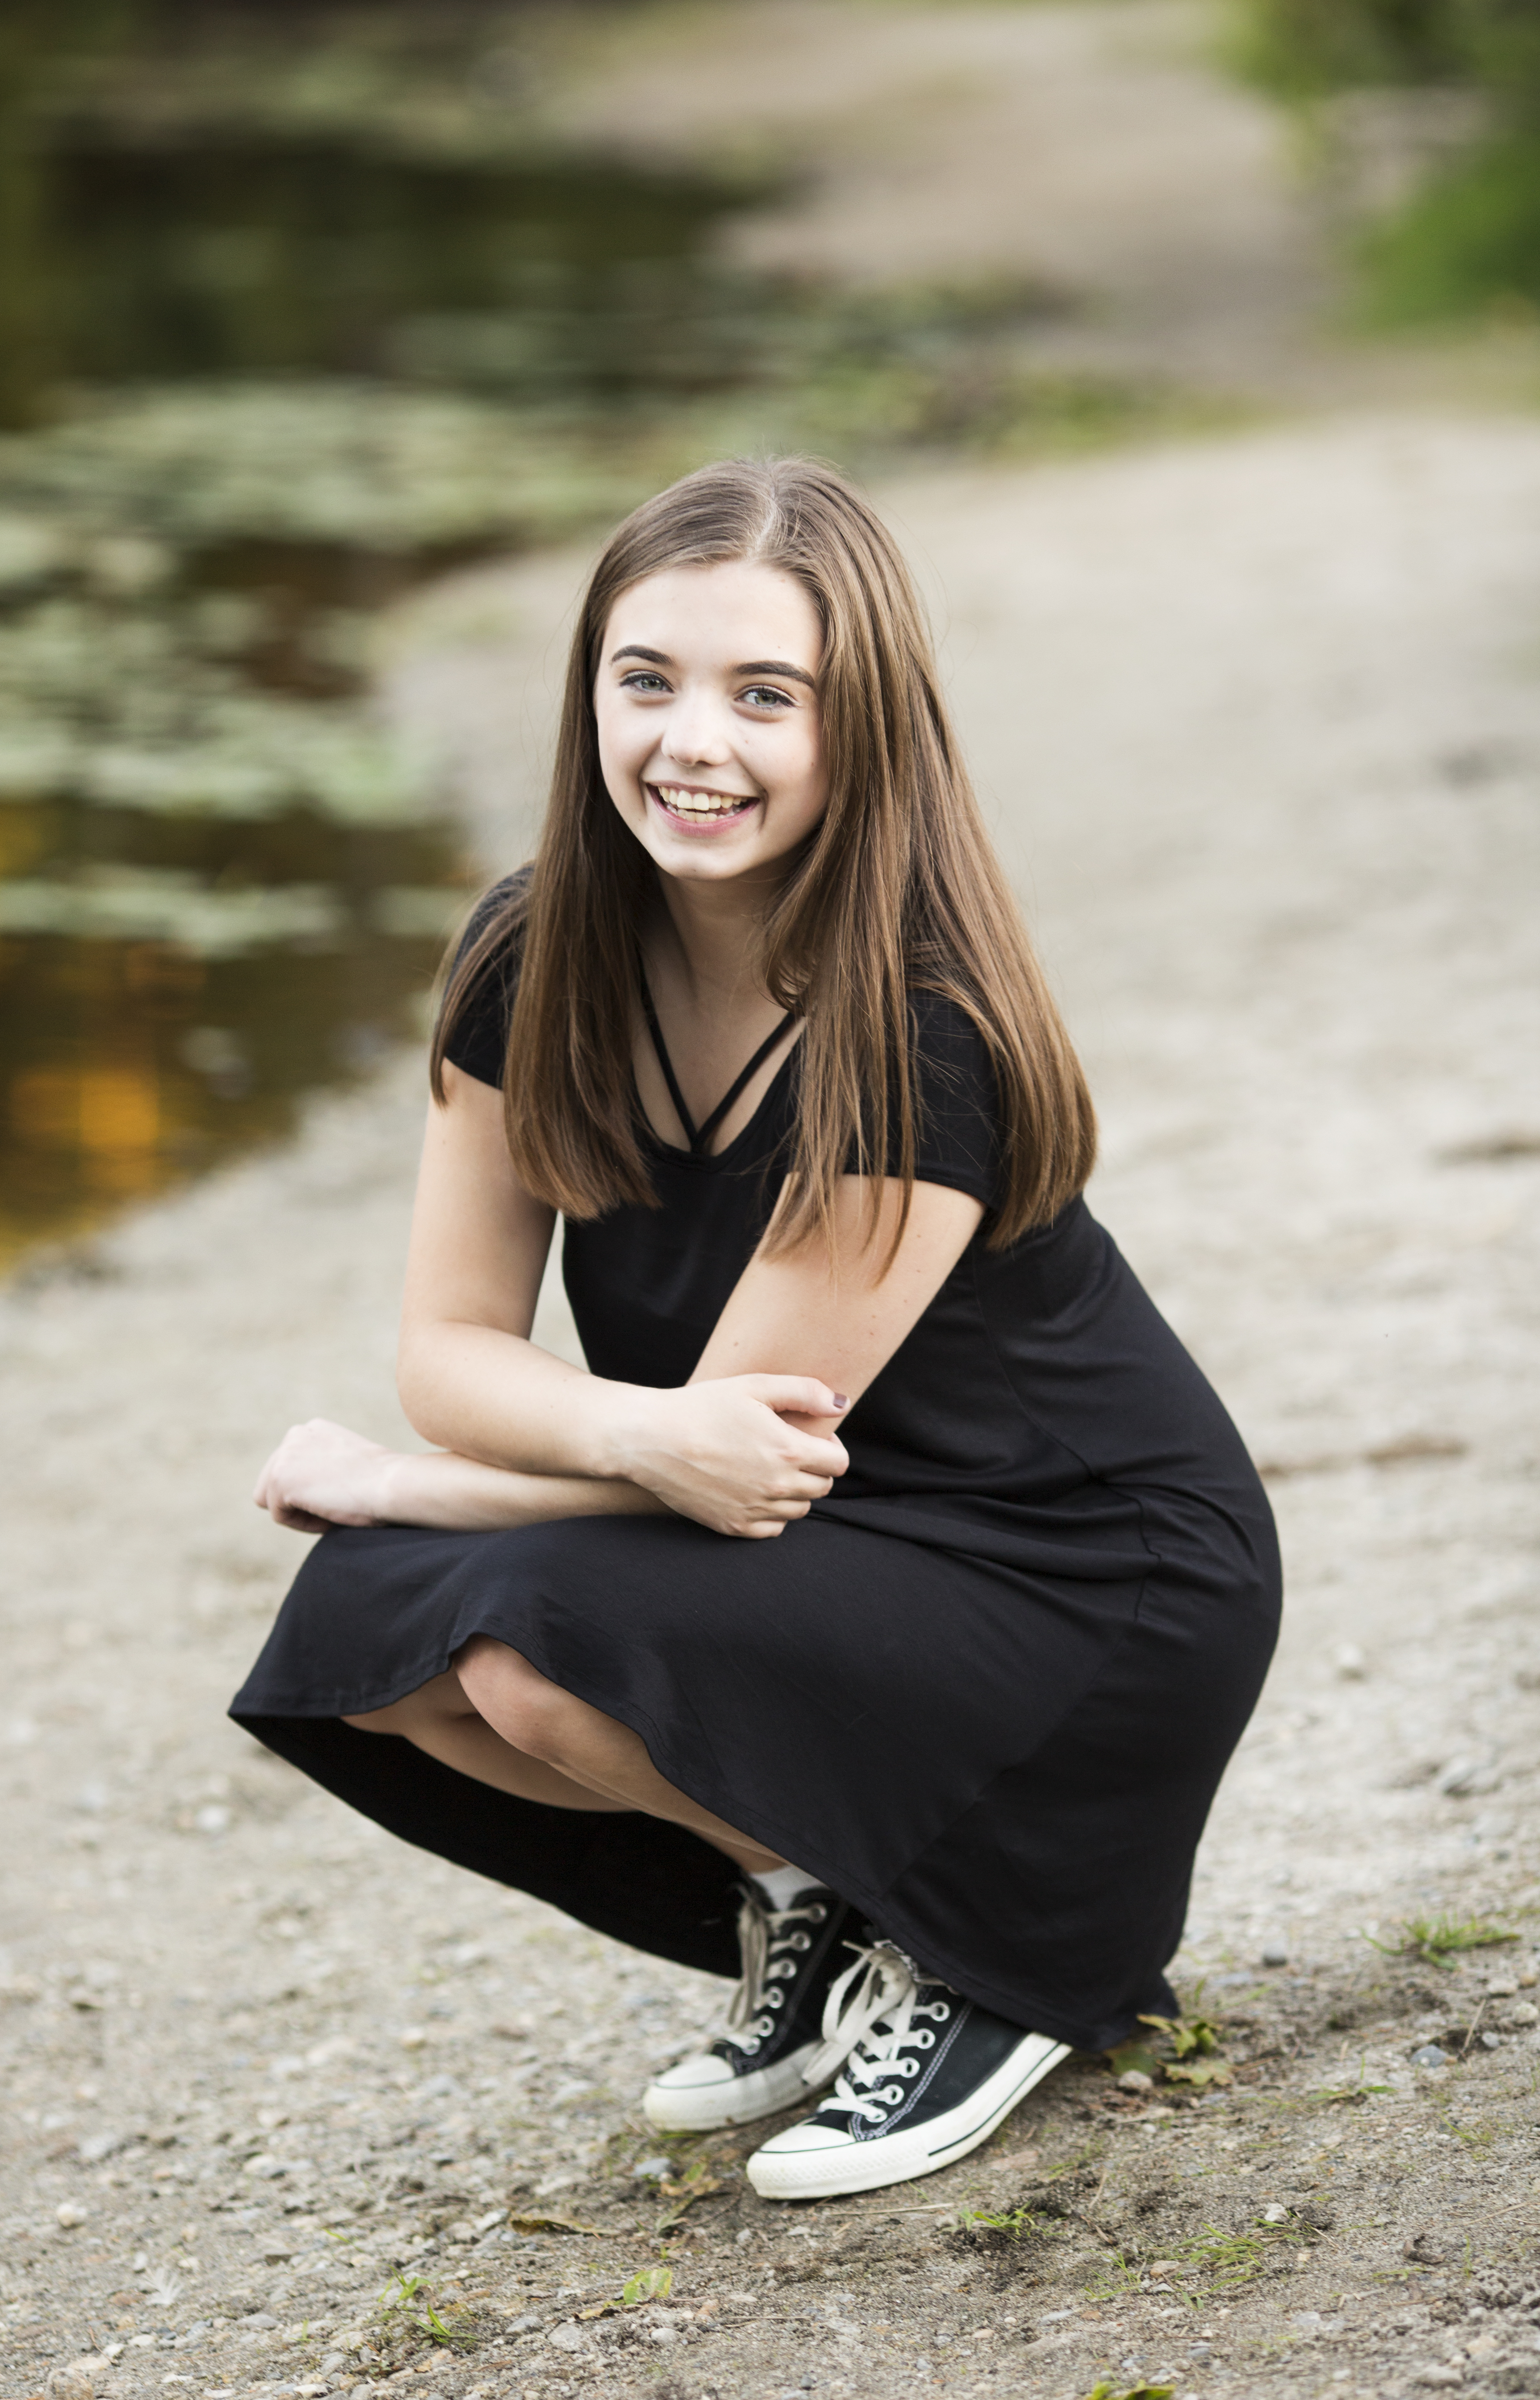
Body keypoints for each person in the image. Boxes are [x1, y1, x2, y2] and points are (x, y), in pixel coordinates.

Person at [232, 456, 1280, 2202]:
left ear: (857, 723)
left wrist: (430, 1479)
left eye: (762, 694)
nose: (689, 739)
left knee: (511, 1631)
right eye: (646, 679)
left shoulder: (919, 1027)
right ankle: (823, 1890)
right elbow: (457, 1351)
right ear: (589, 695)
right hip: (798, 1509)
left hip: (1083, 1573)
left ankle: (977, 1966)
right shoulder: (527, 950)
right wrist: (574, 1441)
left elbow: (741, 1453)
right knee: (377, 1622)